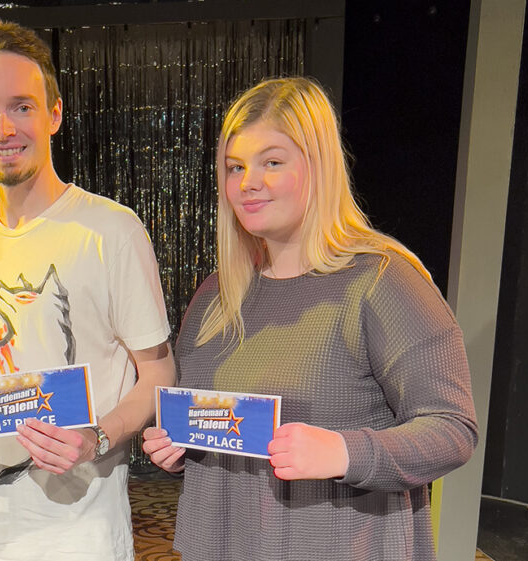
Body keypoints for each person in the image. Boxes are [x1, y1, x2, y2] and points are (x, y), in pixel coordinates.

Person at [142, 77, 478, 560]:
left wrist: (344, 452)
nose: (248, 183)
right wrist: (178, 450)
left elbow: (452, 428)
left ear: (318, 167)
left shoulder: (382, 281)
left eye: (272, 162)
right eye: (235, 167)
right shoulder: (217, 295)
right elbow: (213, 429)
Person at [0, 20, 176, 561]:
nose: (2, 128)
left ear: (55, 114)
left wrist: (97, 438)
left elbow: (159, 373)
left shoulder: (111, 231)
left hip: (81, 539)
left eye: (21, 106)